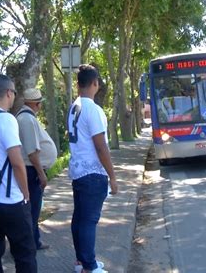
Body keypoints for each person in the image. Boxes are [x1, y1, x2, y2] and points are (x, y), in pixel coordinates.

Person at [0, 75, 37, 272]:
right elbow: (17, 162)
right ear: (7, 93)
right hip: (10, 199)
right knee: (25, 253)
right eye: (14, 92)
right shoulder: (6, 119)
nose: (14, 96)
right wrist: (26, 193)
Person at [67, 64, 118, 273]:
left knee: (79, 218)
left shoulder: (74, 107)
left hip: (78, 170)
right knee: (89, 220)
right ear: (95, 83)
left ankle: (82, 261)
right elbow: (100, 145)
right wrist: (113, 176)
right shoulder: (92, 109)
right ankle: (89, 266)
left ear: (78, 84)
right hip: (92, 172)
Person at [16, 88, 57, 250]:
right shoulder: (26, 119)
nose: (40, 107)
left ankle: (34, 240)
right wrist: (41, 174)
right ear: (35, 104)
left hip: (31, 169)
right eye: (39, 104)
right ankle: (29, 244)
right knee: (31, 210)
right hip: (31, 170)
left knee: (33, 210)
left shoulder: (27, 117)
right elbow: (32, 152)